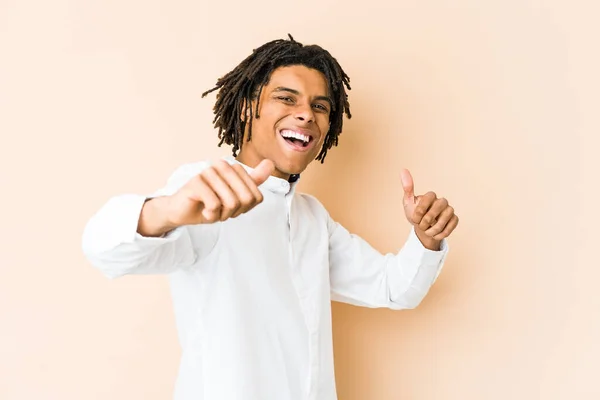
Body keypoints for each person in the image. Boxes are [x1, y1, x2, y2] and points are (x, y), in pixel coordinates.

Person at [81, 34, 459, 400]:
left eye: (320, 106)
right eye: (286, 98)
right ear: (247, 106)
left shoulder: (312, 217)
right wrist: (164, 212)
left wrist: (426, 238)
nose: (306, 115)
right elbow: (103, 249)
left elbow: (393, 288)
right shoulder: (206, 191)